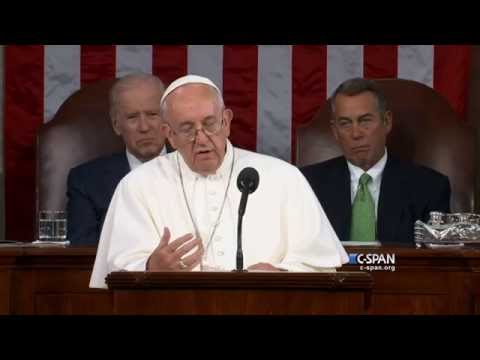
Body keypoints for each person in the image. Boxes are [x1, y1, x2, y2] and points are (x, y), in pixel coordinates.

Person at [90, 74, 348, 288]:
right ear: (169, 134)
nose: (201, 139)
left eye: (210, 124)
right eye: (187, 128)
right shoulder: (137, 186)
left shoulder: (283, 177)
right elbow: (116, 271)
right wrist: (151, 267)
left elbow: (323, 263)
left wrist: (280, 274)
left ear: (226, 122)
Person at [301, 77, 451, 244]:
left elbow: (436, 263)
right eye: (345, 124)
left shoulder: (429, 187)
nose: (356, 134)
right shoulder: (306, 185)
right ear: (335, 131)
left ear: (387, 122)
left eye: (365, 121)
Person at [66, 73, 168, 246]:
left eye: (152, 114)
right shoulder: (86, 181)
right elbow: (82, 253)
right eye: (132, 117)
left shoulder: (193, 168)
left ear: (167, 119)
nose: (144, 127)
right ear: (116, 125)